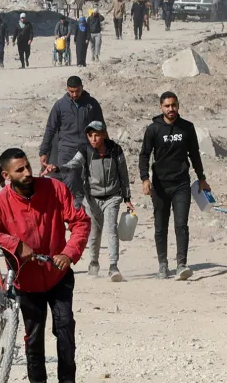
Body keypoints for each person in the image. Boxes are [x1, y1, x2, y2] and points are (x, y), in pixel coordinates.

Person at [0, 148, 89, 383]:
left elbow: (81, 222)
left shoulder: (54, 189)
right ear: (6, 175)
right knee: (33, 340)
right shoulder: (1, 202)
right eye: (20, 170)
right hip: (27, 281)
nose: (27, 173)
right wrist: (14, 244)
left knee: (65, 330)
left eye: (28, 167)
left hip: (58, 275)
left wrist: (69, 253)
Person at [139, 92, 209, 280]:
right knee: (160, 226)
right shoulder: (153, 129)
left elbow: (194, 154)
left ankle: (181, 264)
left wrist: (202, 178)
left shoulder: (187, 128)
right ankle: (163, 264)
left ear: (178, 105)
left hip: (181, 184)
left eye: (174, 105)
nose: (171, 109)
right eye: (167, 106)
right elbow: (144, 155)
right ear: (161, 107)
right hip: (160, 186)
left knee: (181, 225)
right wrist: (145, 178)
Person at [78, 120, 133, 281]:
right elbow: (73, 166)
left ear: (103, 134)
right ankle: (94, 263)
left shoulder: (115, 150)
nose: (94, 139)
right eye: (90, 136)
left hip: (112, 197)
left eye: (97, 135)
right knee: (94, 233)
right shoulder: (85, 151)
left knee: (111, 229)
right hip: (92, 199)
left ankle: (113, 266)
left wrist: (127, 198)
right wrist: (57, 168)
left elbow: (123, 174)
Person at [40, 76, 105, 204]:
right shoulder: (60, 105)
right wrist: (43, 152)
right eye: (71, 91)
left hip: (87, 149)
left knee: (84, 182)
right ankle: (70, 212)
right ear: (67, 89)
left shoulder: (92, 104)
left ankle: (80, 213)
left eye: (77, 91)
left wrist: (105, 147)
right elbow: (50, 129)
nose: (75, 94)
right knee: (69, 180)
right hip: (67, 149)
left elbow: (101, 127)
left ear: (82, 88)